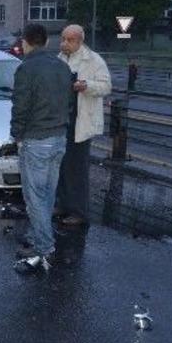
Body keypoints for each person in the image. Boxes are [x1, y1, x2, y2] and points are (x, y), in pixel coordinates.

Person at [11, 24, 73, 268]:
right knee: (47, 193)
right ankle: (39, 235)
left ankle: (43, 246)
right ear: (46, 42)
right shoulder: (62, 66)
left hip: (37, 139)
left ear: (25, 42)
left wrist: (16, 134)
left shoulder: (26, 68)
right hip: (59, 138)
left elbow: (21, 105)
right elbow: (69, 101)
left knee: (34, 197)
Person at [55, 25, 112, 226]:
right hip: (62, 119)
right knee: (61, 165)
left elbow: (106, 86)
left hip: (81, 121)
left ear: (79, 41)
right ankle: (62, 204)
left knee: (77, 169)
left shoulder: (94, 60)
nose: (64, 43)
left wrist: (87, 86)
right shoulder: (61, 58)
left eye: (69, 40)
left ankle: (79, 212)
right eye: (63, 38)